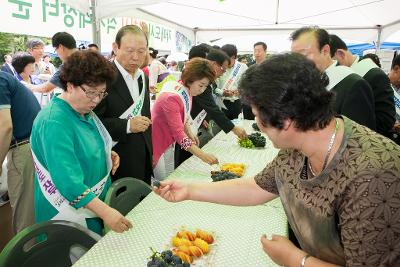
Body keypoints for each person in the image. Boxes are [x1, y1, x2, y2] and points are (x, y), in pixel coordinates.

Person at [155, 53, 400, 267]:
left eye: (258, 117)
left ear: (287, 121)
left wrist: (296, 260)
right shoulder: (298, 145)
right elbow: (258, 187)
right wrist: (190, 190)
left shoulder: (374, 177)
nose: (259, 127)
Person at [31, 50, 132, 235]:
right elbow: (68, 182)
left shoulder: (83, 109)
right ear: (70, 86)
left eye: (101, 94)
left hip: (93, 206)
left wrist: (105, 154)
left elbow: (85, 145)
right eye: (91, 93)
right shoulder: (54, 121)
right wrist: (107, 212)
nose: (96, 100)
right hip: (69, 212)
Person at [94, 25, 153, 184]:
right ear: (115, 47)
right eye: (129, 50)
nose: (136, 57)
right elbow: (91, 122)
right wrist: (127, 125)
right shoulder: (101, 77)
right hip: (116, 158)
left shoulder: (143, 77)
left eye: (141, 51)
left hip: (144, 155)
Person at [291, 26, 376, 131]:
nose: (297, 62)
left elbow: (361, 136)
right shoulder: (304, 82)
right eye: (294, 57)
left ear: (325, 50)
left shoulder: (353, 85)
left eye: (303, 54)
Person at [152, 58, 218, 180]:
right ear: (190, 79)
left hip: (169, 141)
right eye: (200, 85)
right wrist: (202, 155)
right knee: (162, 180)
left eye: (205, 86)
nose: (202, 90)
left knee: (171, 175)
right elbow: (179, 136)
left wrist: (189, 132)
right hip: (158, 141)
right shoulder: (172, 97)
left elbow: (184, 115)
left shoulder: (186, 89)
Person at [329, 34, 395, 138]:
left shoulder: (374, 75)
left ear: (341, 54)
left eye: (331, 63)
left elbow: (386, 120)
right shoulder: (335, 79)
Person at [0, 71, 40, 234]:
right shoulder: (5, 78)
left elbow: (5, 127)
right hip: (31, 145)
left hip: (22, 148)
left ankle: (27, 257)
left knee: (24, 215)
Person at [27, 32, 77, 96]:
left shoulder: (68, 65)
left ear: (61, 47)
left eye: (56, 50)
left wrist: (26, 85)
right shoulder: (89, 58)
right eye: (37, 48)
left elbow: (46, 88)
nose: (41, 51)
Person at [216, 44, 248, 120]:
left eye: (227, 59)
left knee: (237, 126)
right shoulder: (218, 67)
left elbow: (248, 86)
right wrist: (222, 92)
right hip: (221, 103)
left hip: (237, 103)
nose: (224, 62)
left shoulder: (243, 67)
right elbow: (213, 88)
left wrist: (241, 91)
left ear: (234, 57)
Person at [243, 41, 267, 119]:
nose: (257, 53)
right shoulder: (247, 66)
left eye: (259, 51)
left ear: (265, 51)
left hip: (264, 102)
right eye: (255, 51)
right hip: (249, 102)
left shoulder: (271, 67)